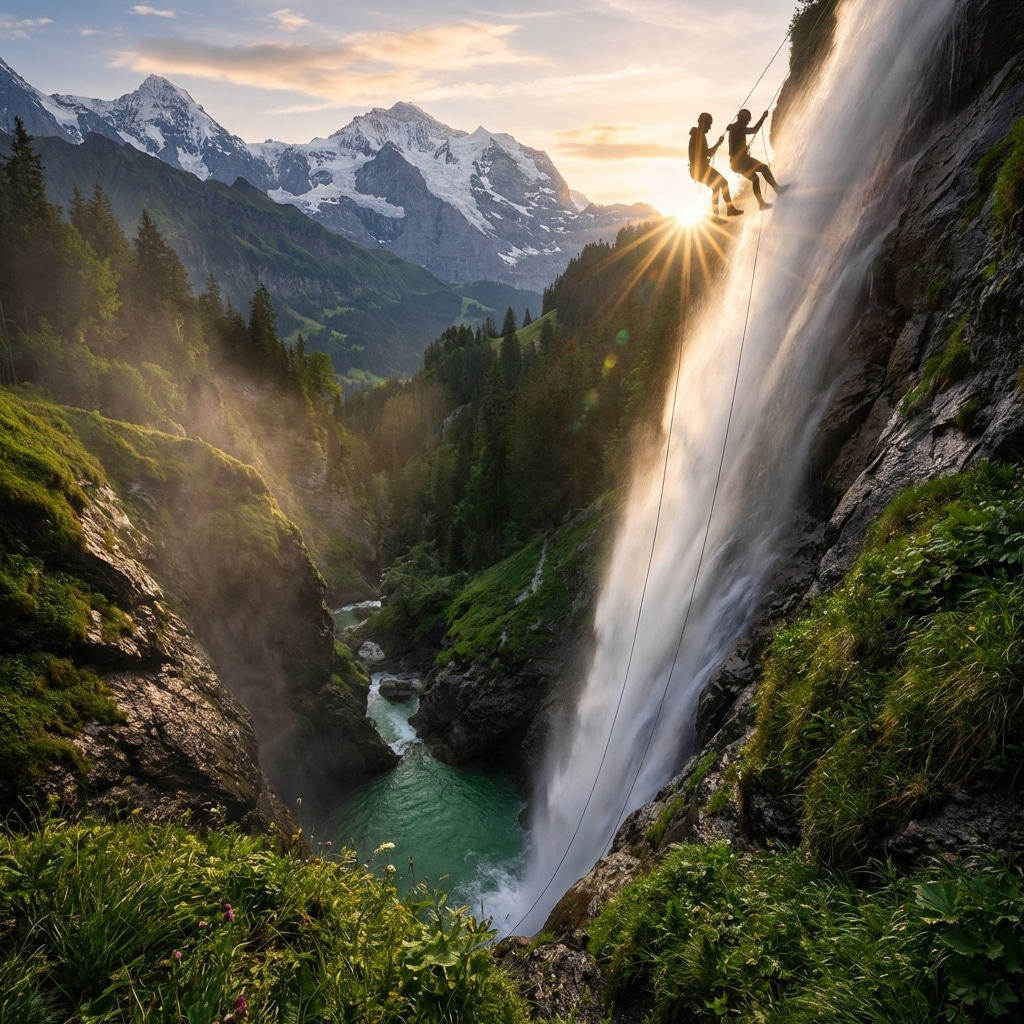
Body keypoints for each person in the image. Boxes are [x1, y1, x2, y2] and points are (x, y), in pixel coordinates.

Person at [728, 109, 784, 210]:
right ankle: (777, 189)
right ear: (742, 118)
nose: (747, 122)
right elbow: (754, 130)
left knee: (755, 179)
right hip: (741, 161)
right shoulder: (739, 127)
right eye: (747, 120)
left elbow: (735, 145)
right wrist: (763, 117)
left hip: (734, 164)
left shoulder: (734, 128)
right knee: (764, 168)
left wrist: (743, 149)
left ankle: (761, 203)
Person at [688, 112, 742, 218]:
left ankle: (716, 215)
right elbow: (708, 153)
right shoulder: (699, 135)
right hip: (700, 169)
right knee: (723, 183)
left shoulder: (697, 134)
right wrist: (718, 143)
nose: (710, 127)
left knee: (716, 186)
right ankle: (728, 210)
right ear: (703, 123)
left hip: (696, 170)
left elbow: (703, 153)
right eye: (709, 124)